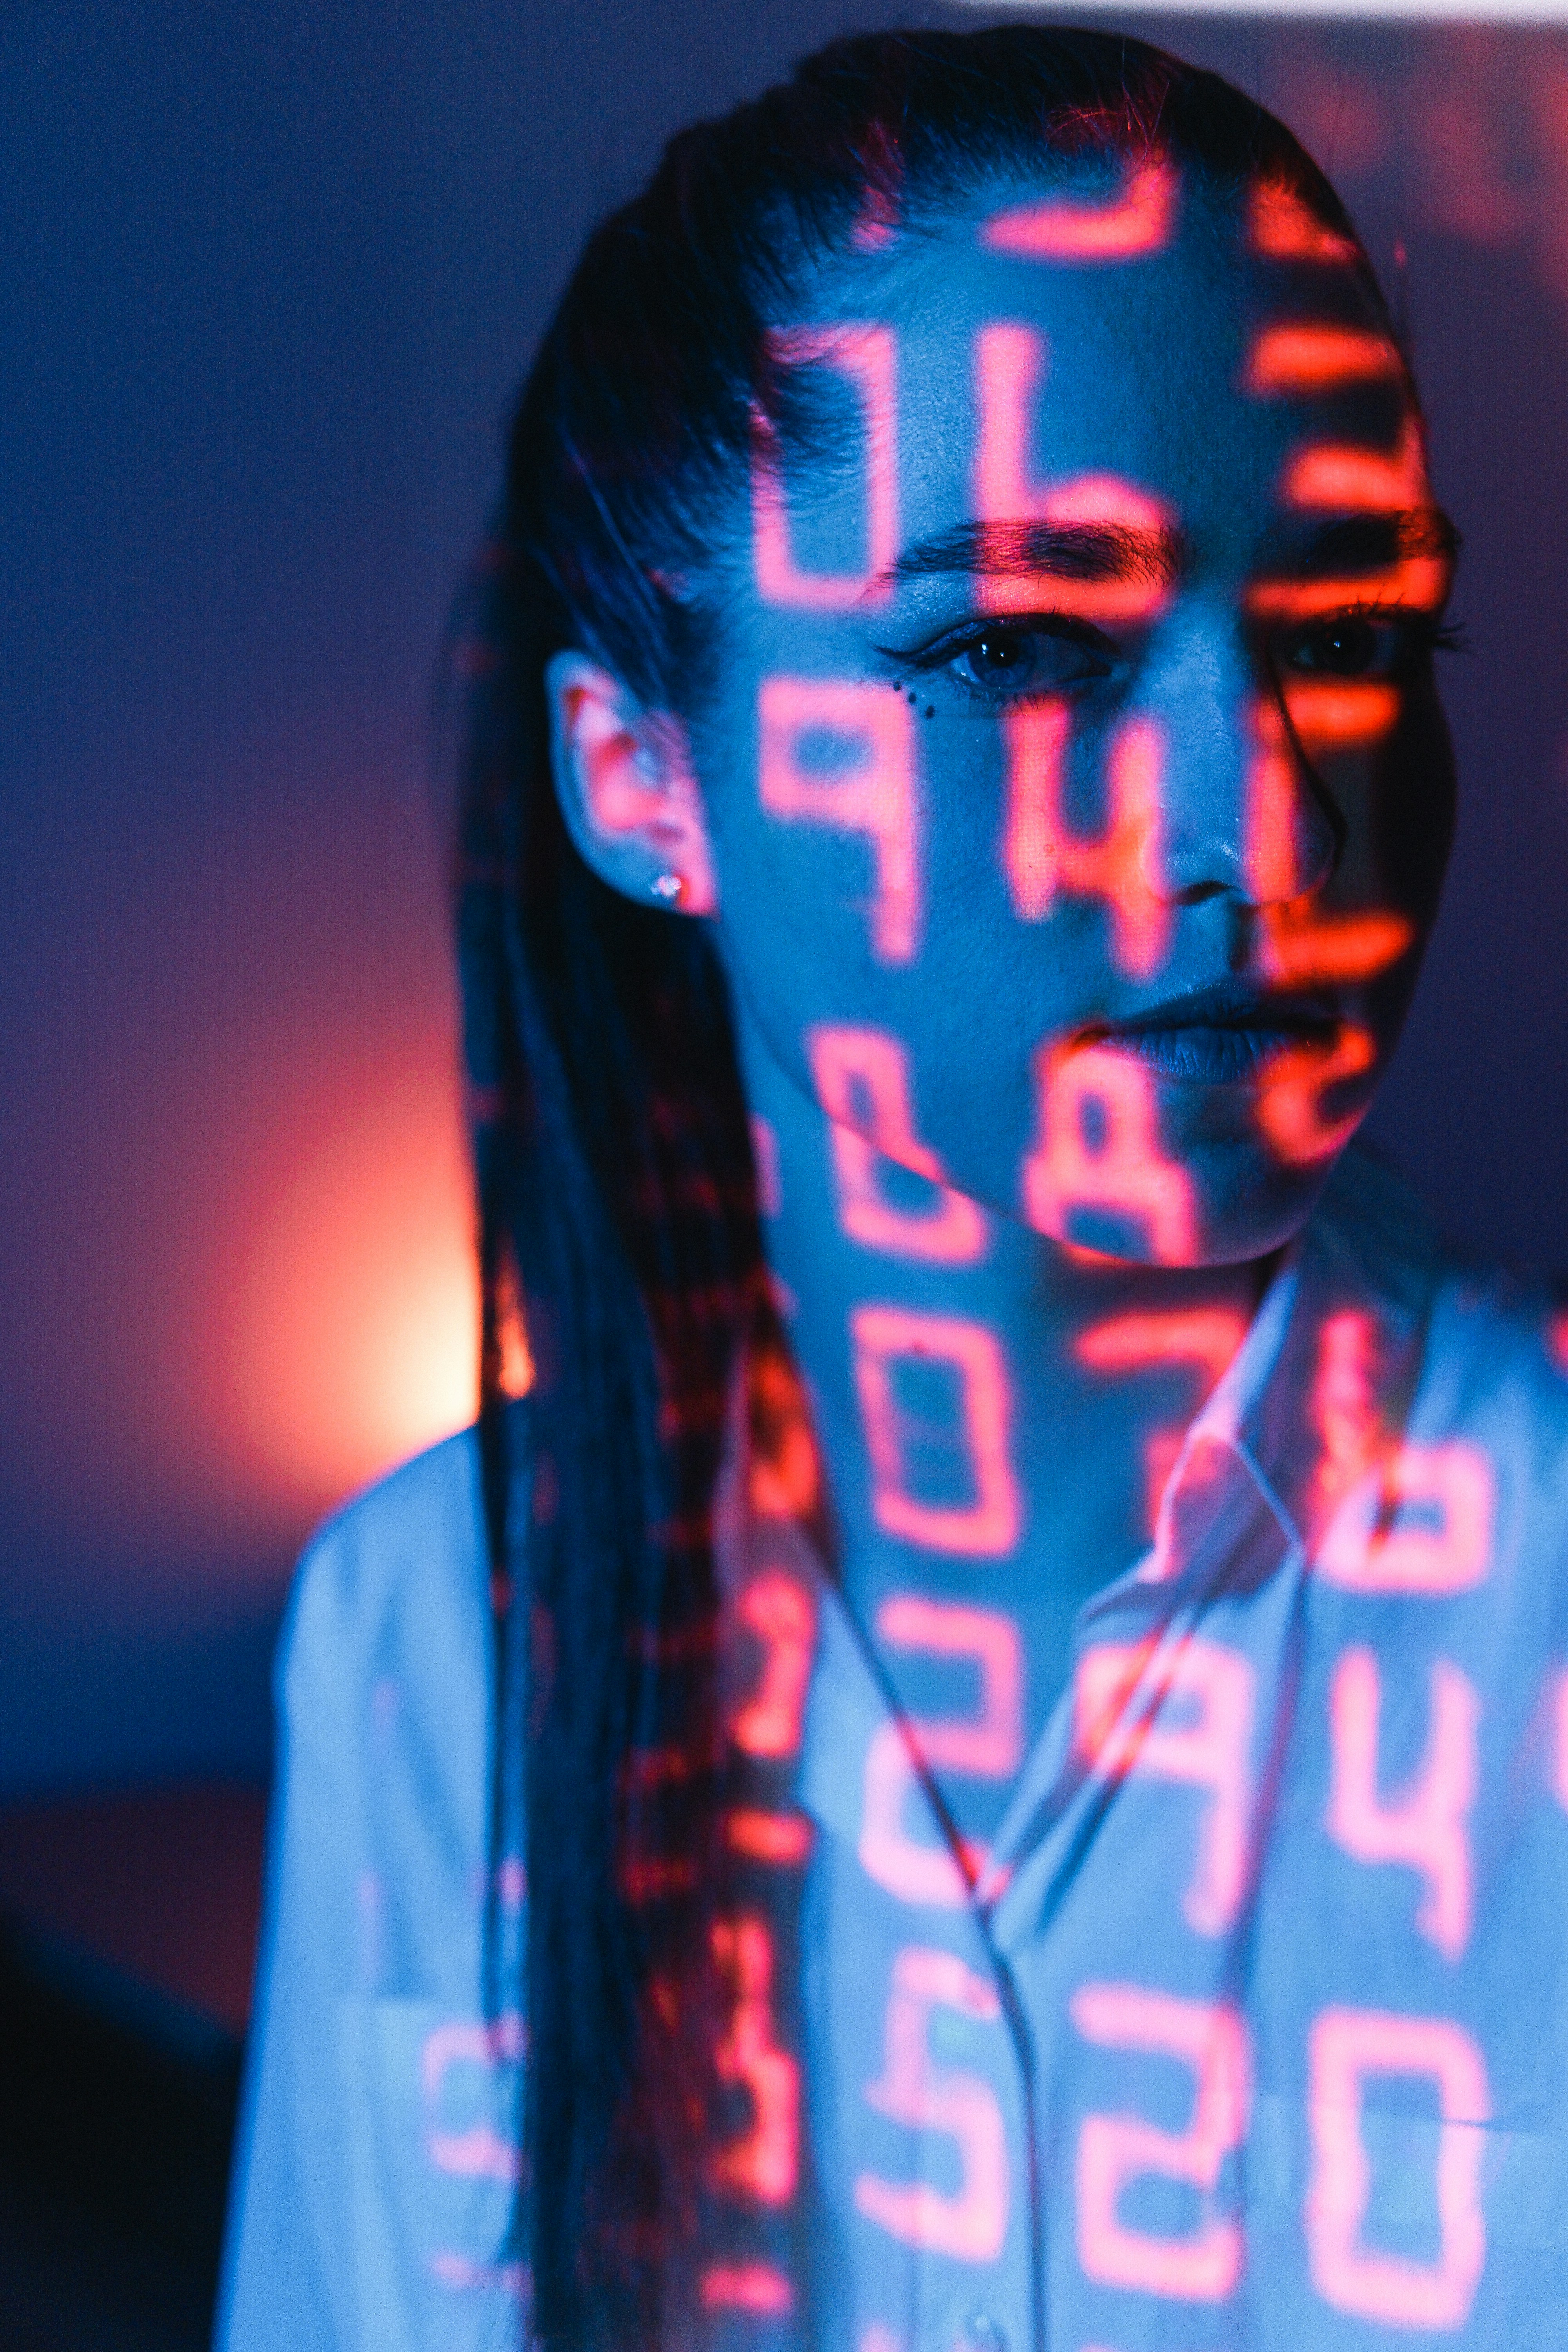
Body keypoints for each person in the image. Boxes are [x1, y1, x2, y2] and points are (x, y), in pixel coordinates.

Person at [214, 24, 1568, 2352]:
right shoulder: (437, 1647)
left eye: (1353, 641)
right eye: (1017, 651)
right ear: (647, 778)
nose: (1266, 832)